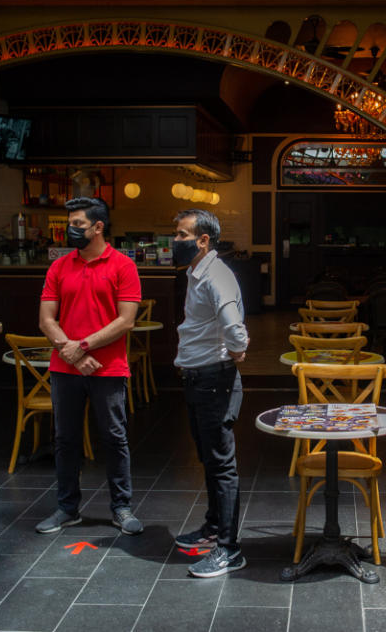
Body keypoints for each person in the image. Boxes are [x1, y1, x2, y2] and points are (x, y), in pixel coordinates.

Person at [36, 197, 143, 536]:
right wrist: (74, 355)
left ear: (99, 227)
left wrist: (81, 347)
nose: (72, 230)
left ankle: (121, 508)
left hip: (108, 368)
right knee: (65, 439)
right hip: (65, 368)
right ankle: (67, 508)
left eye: (78, 224)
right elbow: (46, 319)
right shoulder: (59, 266)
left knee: (114, 437)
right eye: (71, 223)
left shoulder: (123, 265)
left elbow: (126, 321)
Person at [171, 208, 249, 578]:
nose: (176, 241)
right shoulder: (196, 272)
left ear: (203, 240)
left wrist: (238, 349)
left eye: (183, 235)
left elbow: (234, 326)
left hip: (214, 380)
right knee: (209, 459)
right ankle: (214, 528)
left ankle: (230, 550)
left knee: (221, 465)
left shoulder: (217, 275)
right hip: (198, 377)